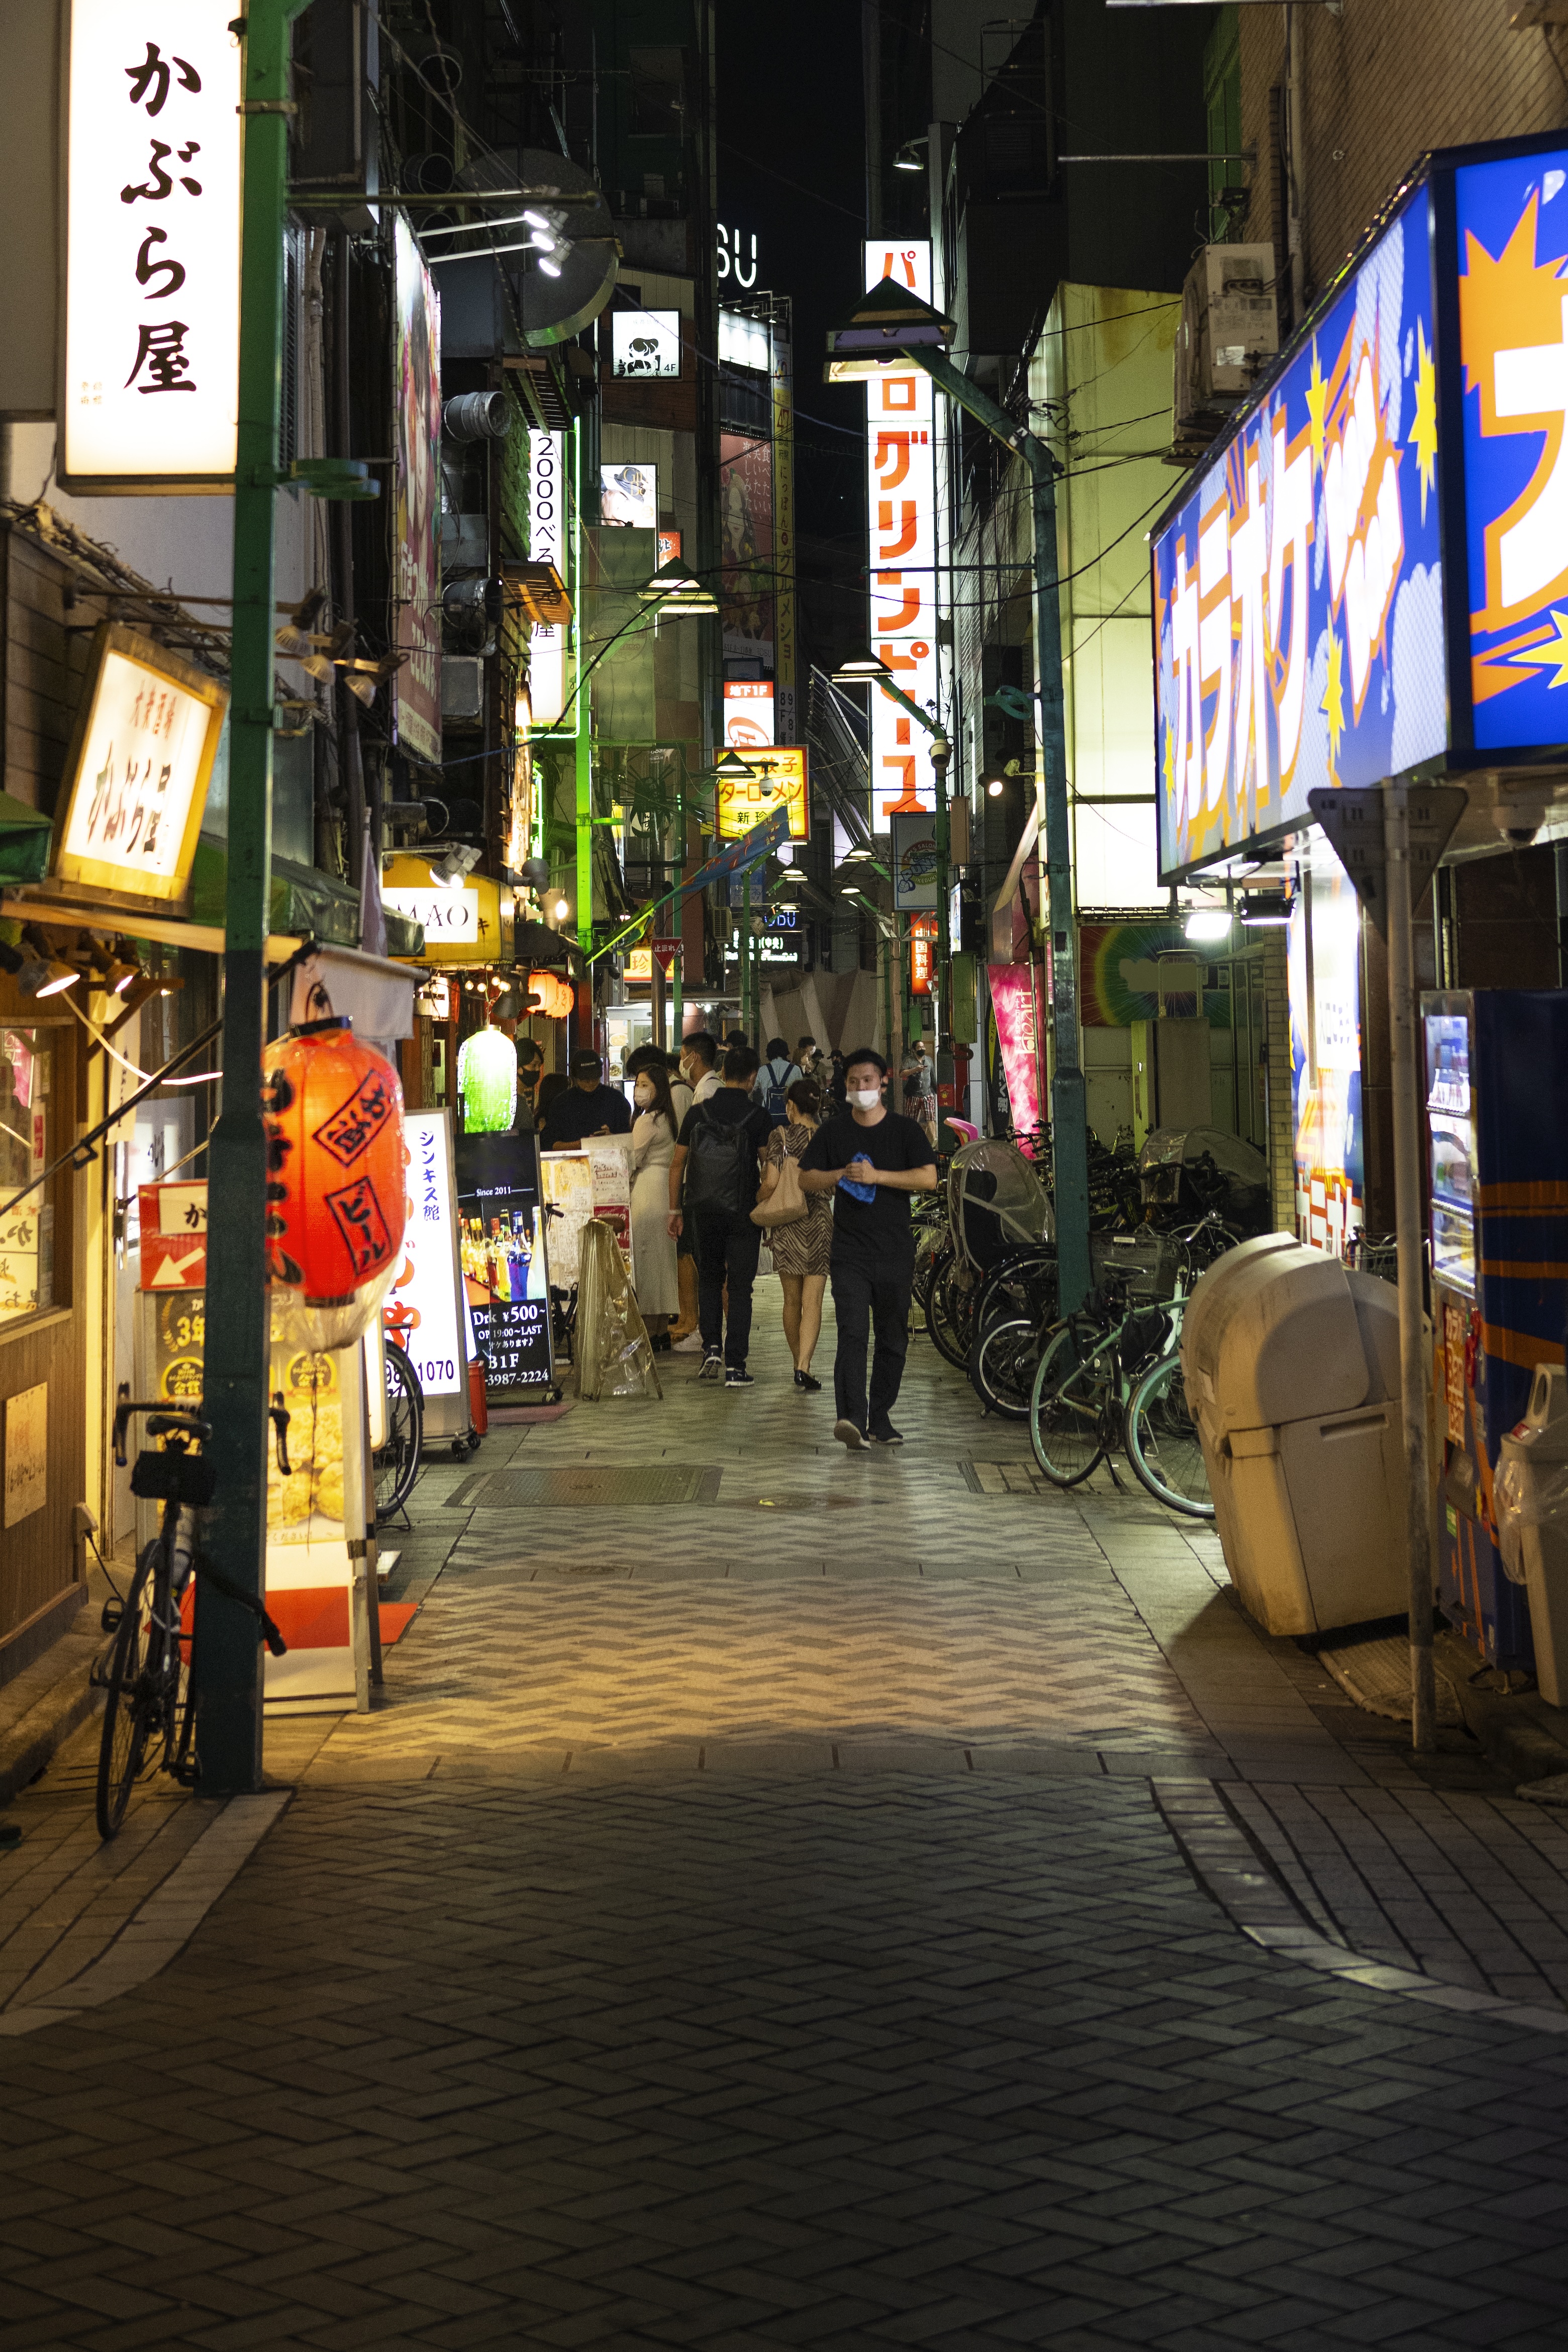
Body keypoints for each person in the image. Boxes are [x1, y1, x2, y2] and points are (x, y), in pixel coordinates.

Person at [800, 1047, 937, 1449]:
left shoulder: (905, 1131)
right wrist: (839, 1174)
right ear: (846, 1086)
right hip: (850, 1253)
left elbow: (928, 1179)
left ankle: (880, 1417)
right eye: (855, 1082)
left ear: (883, 1083)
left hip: (895, 1251)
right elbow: (806, 1178)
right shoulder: (834, 1132)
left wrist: (878, 1177)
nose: (862, 1088)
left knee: (893, 1337)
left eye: (869, 1081)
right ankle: (851, 1419)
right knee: (853, 1332)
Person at [668, 1042, 770, 1388]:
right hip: (742, 1212)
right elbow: (770, 1169)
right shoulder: (758, 1116)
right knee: (740, 1288)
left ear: (723, 1073)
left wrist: (675, 1209)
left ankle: (711, 1347)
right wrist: (761, 1204)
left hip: (702, 1209)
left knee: (709, 1278)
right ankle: (736, 1366)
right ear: (753, 1078)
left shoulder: (699, 1113)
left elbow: (677, 1163)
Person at [757, 1079, 834, 1390]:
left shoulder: (781, 1136)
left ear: (791, 1106)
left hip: (788, 1222)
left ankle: (796, 1363)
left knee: (792, 1300)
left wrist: (758, 1199)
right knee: (813, 1300)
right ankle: (805, 1365)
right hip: (819, 1221)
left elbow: (772, 1183)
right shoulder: (827, 1136)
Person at [629, 1061, 681, 1347]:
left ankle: (649, 1329)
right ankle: (661, 1328)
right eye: (637, 1084)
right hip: (666, 1192)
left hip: (647, 1190)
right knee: (663, 1261)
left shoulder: (647, 1120)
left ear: (658, 1089)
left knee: (647, 1260)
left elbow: (631, 1160)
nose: (639, 1090)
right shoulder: (668, 1118)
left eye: (644, 1084)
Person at [539, 1049, 633, 1147]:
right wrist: (580, 1145)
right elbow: (549, 1143)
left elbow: (628, 1141)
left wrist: (611, 1138)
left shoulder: (616, 1100)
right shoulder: (561, 1103)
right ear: (575, 1077)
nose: (590, 1083)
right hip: (572, 1162)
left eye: (594, 1078)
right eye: (585, 1080)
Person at [754, 1035, 801, 1124]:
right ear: (786, 1051)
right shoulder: (795, 1069)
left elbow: (752, 1089)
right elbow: (801, 1093)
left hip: (768, 1117)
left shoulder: (763, 1070)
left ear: (769, 1052)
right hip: (790, 1116)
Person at [901, 1038, 939, 1147]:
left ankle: (934, 1141)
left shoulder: (929, 1060)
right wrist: (915, 1070)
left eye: (923, 1047)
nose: (922, 1049)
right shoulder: (909, 1061)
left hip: (927, 1094)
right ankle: (910, 1143)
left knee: (931, 1117)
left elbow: (933, 1077)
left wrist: (937, 1091)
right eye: (919, 1047)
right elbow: (902, 1074)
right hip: (913, 1095)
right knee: (912, 1120)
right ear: (914, 1050)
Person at [679, 1030, 722, 1105]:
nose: (682, 1061)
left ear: (694, 1057)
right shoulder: (716, 1084)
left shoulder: (704, 1092)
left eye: (683, 1056)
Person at [514, 1036, 544, 1133]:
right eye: (534, 1065)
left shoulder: (521, 1098)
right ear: (518, 1066)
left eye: (539, 1066)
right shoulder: (509, 1102)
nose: (537, 1070)